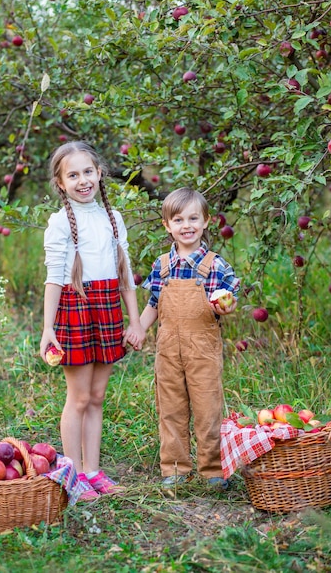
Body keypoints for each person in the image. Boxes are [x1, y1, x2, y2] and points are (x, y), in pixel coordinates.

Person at [39, 141, 145, 501]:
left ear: (100, 174)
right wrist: (48, 328)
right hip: (77, 307)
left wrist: (135, 321)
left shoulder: (113, 219)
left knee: (98, 396)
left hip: (107, 307)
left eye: (88, 172)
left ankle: (92, 471)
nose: (83, 180)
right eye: (73, 174)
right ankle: (72, 475)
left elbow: (125, 273)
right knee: (80, 397)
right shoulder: (59, 224)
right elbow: (54, 277)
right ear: (61, 182)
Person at [140, 187, 240, 490]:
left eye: (193, 218)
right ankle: (174, 467)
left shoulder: (216, 264)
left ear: (206, 220)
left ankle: (211, 470)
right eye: (179, 220)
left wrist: (228, 303)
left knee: (208, 408)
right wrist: (139, 329)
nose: (187, 226)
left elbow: (230, 299)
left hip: (203, 350)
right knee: (170, 408)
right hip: (168, 349)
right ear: (167, 225)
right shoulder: (162, 265)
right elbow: (154, 303)